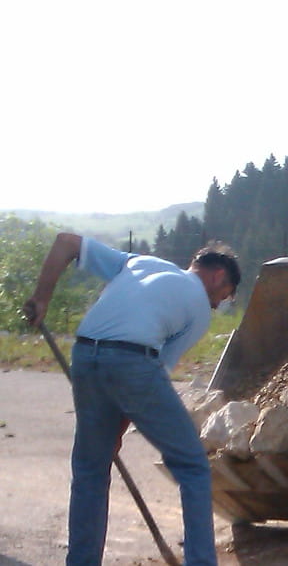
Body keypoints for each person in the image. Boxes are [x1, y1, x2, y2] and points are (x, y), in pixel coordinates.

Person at [23, 234, 241, 566]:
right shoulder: (199, 308)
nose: (218, 304)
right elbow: (149, 377)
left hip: (85, 352)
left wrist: (42, 298)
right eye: (224, 297)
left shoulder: (140, 263)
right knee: (193, 465)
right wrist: (119, 431)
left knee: (90, 470)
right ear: (217, 276)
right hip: (133, 360)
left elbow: (66, 242)